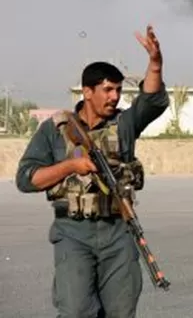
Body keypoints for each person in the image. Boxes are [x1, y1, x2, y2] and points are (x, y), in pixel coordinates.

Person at [16, 25, 169, 317]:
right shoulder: (55, 129)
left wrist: (155, 64)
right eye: (108, 90)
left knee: (122, 310)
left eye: (119, 90)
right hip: (73, 232)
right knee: (75, 311)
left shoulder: (124, 124)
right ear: (87, 91)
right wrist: (71, 165)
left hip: (118, 230)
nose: (115, 97)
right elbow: (26, 179)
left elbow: (151, 102)